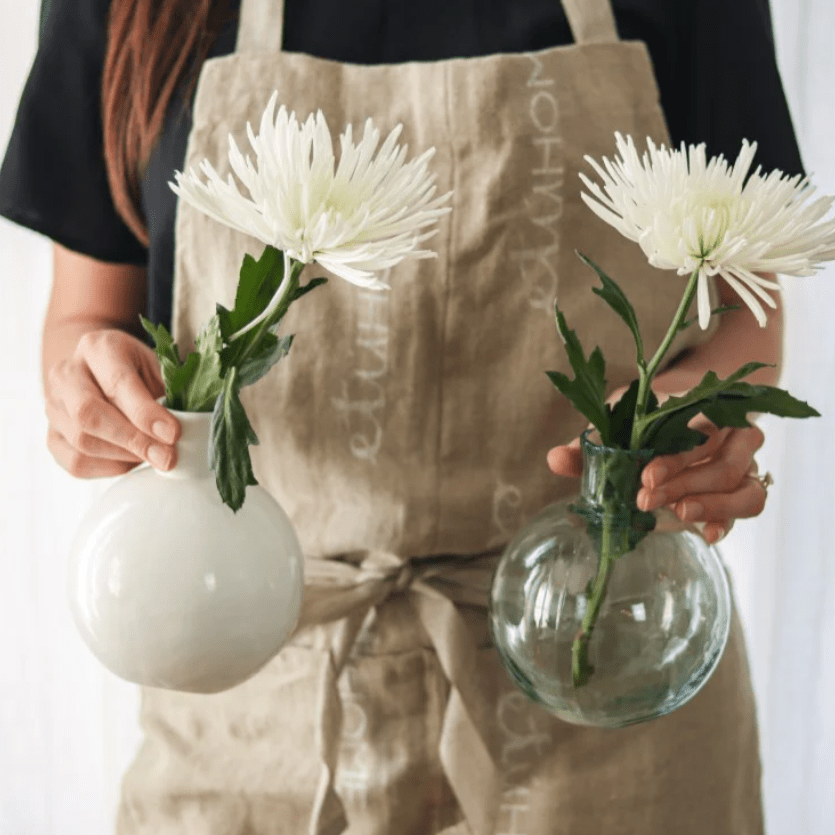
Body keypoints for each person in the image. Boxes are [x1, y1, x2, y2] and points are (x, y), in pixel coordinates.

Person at [0, 0, 798, 832]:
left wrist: (688, 424)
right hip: (251, 690)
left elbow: (746, 301)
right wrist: (95, 393)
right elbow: (90, 315)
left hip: (611, 663)